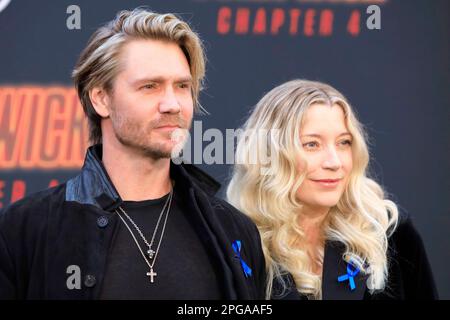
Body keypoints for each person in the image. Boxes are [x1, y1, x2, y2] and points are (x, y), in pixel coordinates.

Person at [0, 8, 265, 299]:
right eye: (150, 86)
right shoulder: (24, 230)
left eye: (182, 86)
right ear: (101, 99)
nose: (172, 104)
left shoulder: (233, 231)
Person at [227, 79, 438, 300]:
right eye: (312, 144)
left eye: (344, 142)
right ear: (269, 155)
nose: (334, 162)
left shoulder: (389, 232)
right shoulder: (237, 245)